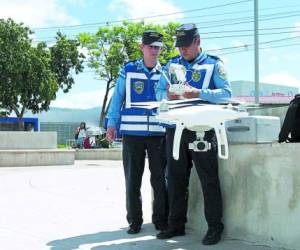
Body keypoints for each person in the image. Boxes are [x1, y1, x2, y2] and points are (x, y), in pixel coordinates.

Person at [155, 23, 232, 245]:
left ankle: (215, 228)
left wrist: (199, 93)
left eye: (186, 46)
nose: (182, 51)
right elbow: (159, 91)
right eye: (180, 46)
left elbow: (226, 94)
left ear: (198, 41)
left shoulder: (214, 65)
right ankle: (176, 224)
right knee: (176, 179)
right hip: (176, 129)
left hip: (204, 130)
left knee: (208, 179)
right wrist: (168, 94)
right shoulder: (171, 66)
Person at [105, 30, 168, 234]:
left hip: (158, 133)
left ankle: (160, 219)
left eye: (158, 47)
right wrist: (111, 124)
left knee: (159, 179)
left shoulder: (166, 72)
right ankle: (134, 221)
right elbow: (117, 98)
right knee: (133, 179)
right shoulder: (128, 69)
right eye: (151, 47)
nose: (154, 51)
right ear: (142, 47)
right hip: (132, 134)